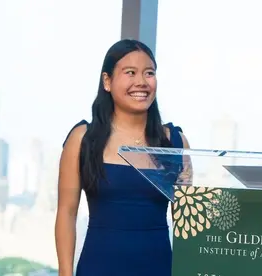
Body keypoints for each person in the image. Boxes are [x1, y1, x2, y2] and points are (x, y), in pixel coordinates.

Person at [55, 39, 191, 276]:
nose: (141, 82)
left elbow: (187, 220)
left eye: (149, 73)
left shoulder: (175, 142)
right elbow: (67, 212)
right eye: (130, 72)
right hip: (98, 268)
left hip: (159, 269)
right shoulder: (83, 139)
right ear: (107, 81)